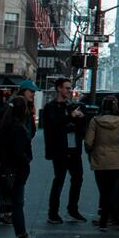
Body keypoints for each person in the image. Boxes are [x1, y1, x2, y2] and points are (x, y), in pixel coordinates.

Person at [0, 97, 38, 238]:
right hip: (15, 171)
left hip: (2, 169)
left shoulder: (2, 125)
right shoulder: (18, 128)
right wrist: (26, 159)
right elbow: (19, 153)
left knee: (0, 201)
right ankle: (22, 235)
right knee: (17, 203)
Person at [39, 78, 87, 223]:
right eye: (66, 88)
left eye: (69, 88)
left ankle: (72, 209)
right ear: (59, 89)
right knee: (59, 180)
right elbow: (53, 126)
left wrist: (80, 118)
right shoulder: (51, 107)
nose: (69, 91)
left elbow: (80, 127)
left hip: (73, 148)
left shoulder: (71, 106)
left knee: (77, 179)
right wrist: (70, 118)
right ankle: (53, 212)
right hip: (60, 150)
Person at [86, 96, 119, 231]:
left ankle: (105, 221)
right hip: (116, 158)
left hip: (99, 158)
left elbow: (88, 141)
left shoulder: (95, 121)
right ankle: (116, 218)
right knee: (113, 190)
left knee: (103, 190)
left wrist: (91, 151)